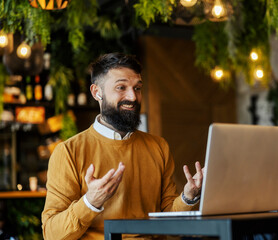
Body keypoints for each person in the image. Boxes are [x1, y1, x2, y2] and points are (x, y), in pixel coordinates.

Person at [41, 52, 203, 240]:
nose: (132, 97)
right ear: (96, 92)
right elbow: (52, 234)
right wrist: (90, 202)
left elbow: (167, 219)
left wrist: (188, 197)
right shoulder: (68, 152)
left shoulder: (158, 147)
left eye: (138, 88)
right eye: (121, 87)